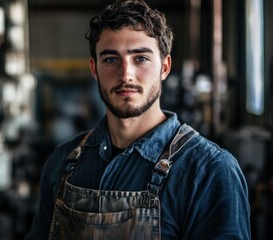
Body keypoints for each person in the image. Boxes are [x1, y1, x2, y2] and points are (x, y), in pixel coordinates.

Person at [26, 0, 251, 239]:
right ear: (94, 68)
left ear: (165, 67)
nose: (125, 75)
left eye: (140, 58)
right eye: (111, 59)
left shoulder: (209, 171)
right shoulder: (62, 164)